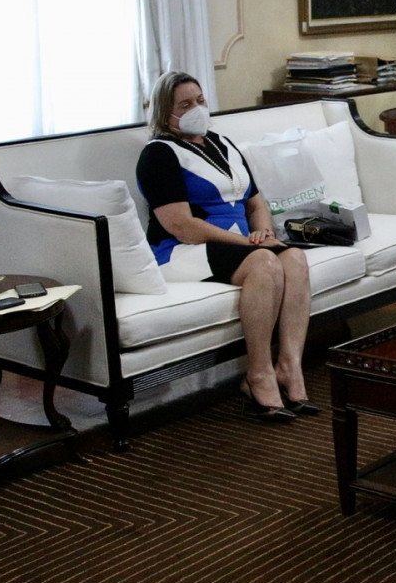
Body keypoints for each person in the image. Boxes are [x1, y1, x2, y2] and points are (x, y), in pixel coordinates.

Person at [135, 72, 315, 422]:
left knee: (294, 258)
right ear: (165, 114)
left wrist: (263, 233)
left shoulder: (222, 144)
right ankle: (258, 374)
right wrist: (249, 243)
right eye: (185, 104)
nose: (197, 108)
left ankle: (289, 367)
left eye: (200, 100)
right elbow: (181, 226)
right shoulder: (158, 154)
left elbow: (255, 202)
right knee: (264, 263)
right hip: (179, 251)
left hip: (239, 245)